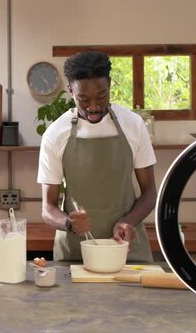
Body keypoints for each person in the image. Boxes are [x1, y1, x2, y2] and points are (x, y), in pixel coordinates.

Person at [37, 51, 157, 262]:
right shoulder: (55, 135)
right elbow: (48, 208)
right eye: (83, 99)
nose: (93, 107)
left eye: (101, 96)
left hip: (126, 248)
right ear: (70, 91)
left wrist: (128, 222)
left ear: (109, 85)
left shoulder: (133, 125)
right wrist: (69, 224)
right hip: (76, 253)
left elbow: (150, 193)